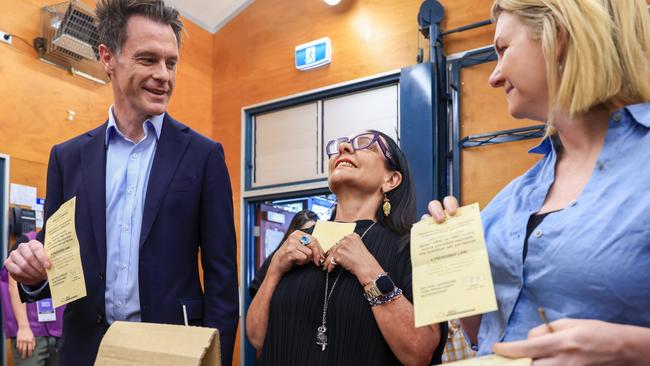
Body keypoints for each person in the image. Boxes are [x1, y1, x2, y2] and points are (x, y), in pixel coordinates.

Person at [3, 1, 239, 364]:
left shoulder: (203, 156)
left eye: (171, 62)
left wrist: (215, 358)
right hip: (85, 351)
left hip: (173, 352)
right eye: (148, 59)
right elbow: (57, 269)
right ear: (108, 58)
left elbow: (223, 280)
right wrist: (33, 277)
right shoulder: (67, 159)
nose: (165, 75)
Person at [427, 0, 650, 364]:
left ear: (557, 34)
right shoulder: (513, 199)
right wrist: (454, 257)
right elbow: (483, 335)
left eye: (502, 49)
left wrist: (633, 349)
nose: (493, 76)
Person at [247, 130, 447, 365]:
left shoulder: (412, 246)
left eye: (366, 144)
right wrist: (275, 269)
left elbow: (419, 353)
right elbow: (256, 338)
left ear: (391, 179)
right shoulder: (294, 244)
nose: (344, 148)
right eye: (340, 145)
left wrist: (370, 272)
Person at [1, 232, 64, 366]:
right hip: (32, 334)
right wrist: (24, 328)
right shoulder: (26, 242)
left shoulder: (65, 243)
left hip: (60, 332)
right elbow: (14, 286)